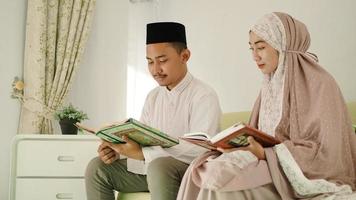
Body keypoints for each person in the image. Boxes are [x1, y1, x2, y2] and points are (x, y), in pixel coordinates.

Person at [177, 12, 356, 200]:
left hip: (294, 173)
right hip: (268, 164)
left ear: (282, 47)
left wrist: (265, 153)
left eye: (261, 47)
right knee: (204, 168)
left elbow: (327, 153)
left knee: (223, 180)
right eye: (251, 49)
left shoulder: (321, 83)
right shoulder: (269, 86)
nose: (255, 56)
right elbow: (258, 133)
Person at [84, 22, 221, 200]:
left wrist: (142, 153)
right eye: (150, 62)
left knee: (159, 166)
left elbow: (201, 149)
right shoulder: (153, 97)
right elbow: (142, 139)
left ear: (185, 56)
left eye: (163, 61)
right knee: (97, 168)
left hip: (189, 172)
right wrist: (119, 150)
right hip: (153, 170)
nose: (155, 69)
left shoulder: (204, 95)